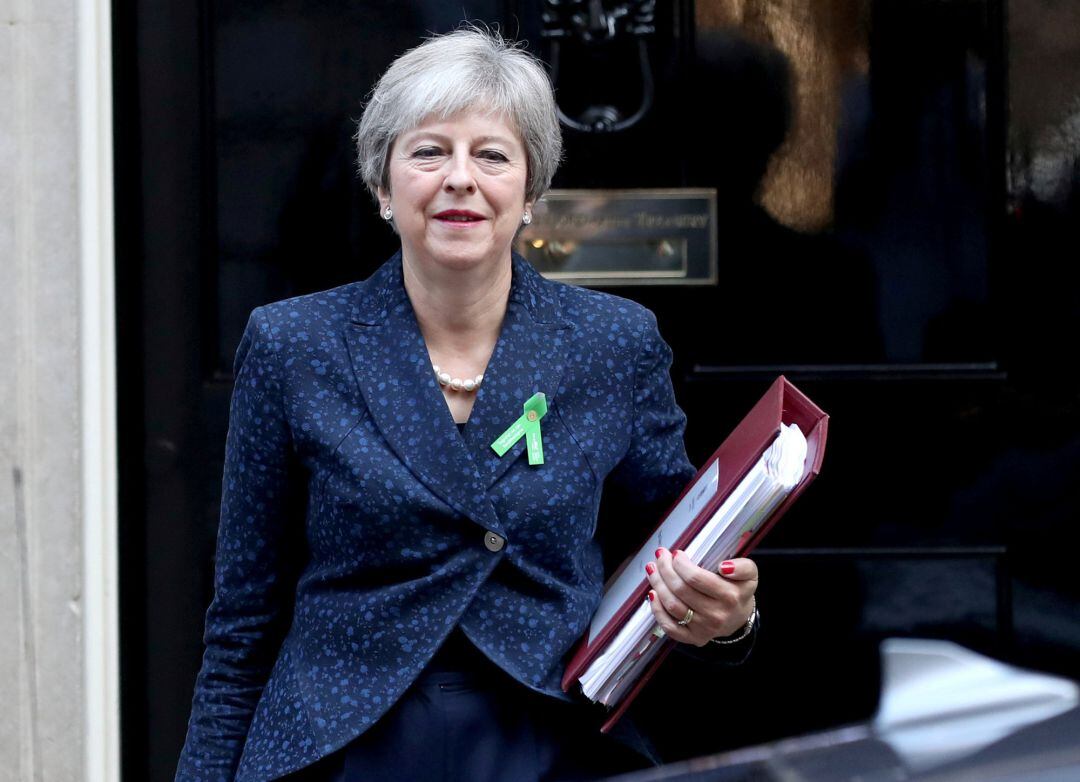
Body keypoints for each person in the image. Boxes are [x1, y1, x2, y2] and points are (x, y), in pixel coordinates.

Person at [175, 27, 759, 782]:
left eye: (492, 154)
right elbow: (241, 621)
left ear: (529, 192)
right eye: (428, 152)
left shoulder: (613, 344)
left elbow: (685, 543)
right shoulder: (295, 345)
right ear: (383, 186)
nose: (460, 179)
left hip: (551, 741)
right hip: (342, 748)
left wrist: (732, 620)